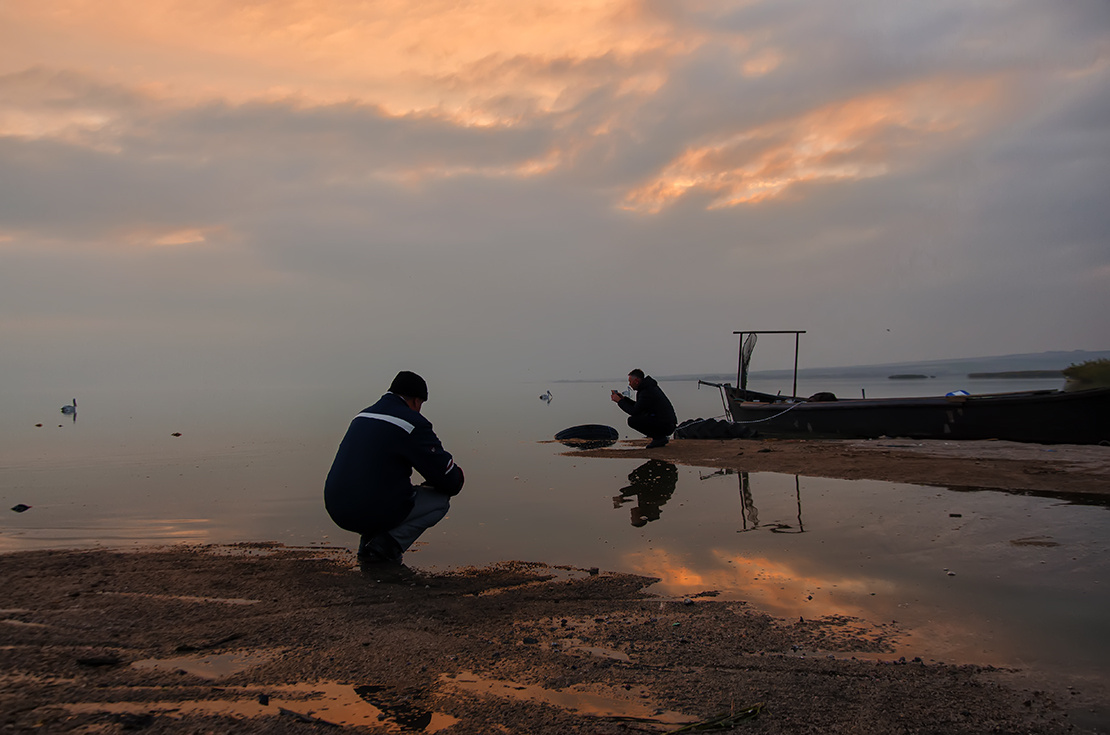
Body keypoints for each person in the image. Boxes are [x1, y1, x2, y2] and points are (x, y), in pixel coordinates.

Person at [324, 371, 464, 566]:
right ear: (416, 401)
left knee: (379, 489)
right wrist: (454, 477)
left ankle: (367, 548)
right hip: (367, 508)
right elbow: (449, 480)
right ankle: (384, 547)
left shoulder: (363, 415)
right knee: (439, 501)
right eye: (420, 405)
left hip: (336, 506)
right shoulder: (410, 422)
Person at [610, 369, 678, 448]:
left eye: (630, 381)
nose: (630, 384)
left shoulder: (647, 391)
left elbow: (634, 411)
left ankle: (659, 438)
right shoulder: (647, 388)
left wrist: (619, 401)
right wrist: (624, 399)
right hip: (666, 423)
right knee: (637, 418)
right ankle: (659, 437)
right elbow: (639, 407)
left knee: (632, 420)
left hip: (666, 425)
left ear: (636, 381)